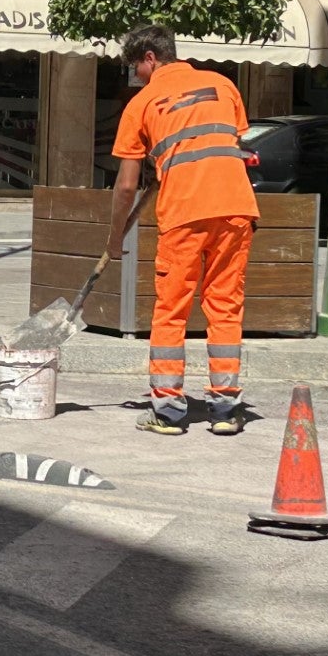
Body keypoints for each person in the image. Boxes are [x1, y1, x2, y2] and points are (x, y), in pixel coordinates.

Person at [105, 23, 260, 437]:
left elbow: (125, 186)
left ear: (150, 58)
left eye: (135, 66)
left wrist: (115, 236)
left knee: (171, 310)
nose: (135, 75)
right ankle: (226, 409)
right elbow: (229, 142)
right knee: (224, 306)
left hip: (184, 213)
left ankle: (169, 410)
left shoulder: (142, 103)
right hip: (236, 208)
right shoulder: (222, 85)